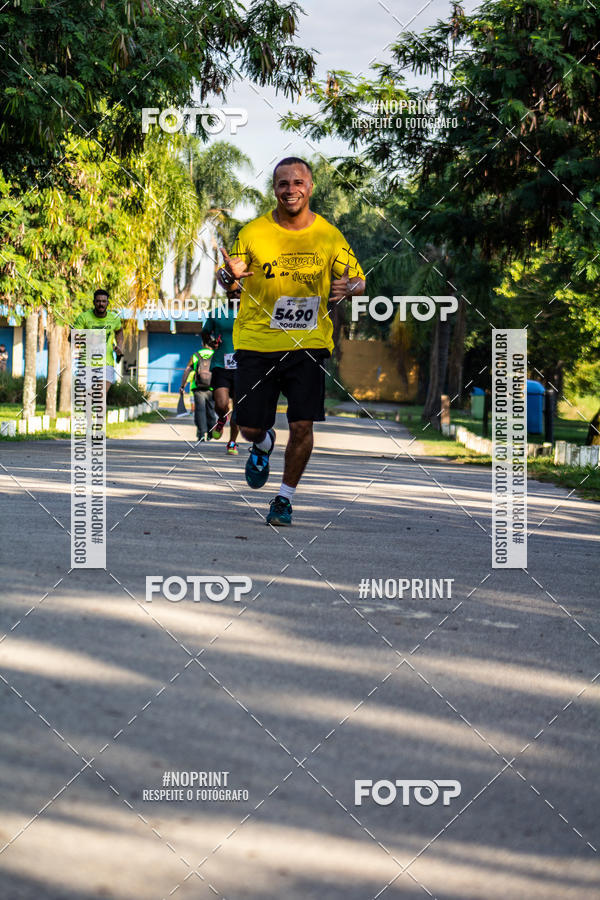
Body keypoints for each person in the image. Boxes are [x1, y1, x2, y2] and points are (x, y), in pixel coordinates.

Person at [217, 156, 365, 526]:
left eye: (298, 182)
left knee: (302, 425)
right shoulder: (252, 233)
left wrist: (352, 287)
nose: (291, 190)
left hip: (309, 343)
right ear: (274, 189)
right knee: (249, 426)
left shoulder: (330, 236)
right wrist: (228, 277)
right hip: (256, 341)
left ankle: (284, 499)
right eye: (283, 183)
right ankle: (262, 442)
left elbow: (359, 281)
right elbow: (231, 282)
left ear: (310, 187)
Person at [201, 285, 240, 455]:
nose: (235, 294)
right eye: (232, 291)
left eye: (238, 291)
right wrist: (210, 343)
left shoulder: (251, 312)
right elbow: (205, 332)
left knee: (239, 408)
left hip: (243, 366)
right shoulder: (217, 313)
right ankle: (222, 419)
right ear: (227, 294)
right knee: (221, 404)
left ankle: (232, 442)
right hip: (220, 364)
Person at [72, 289, 124, 394]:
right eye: (98, 301)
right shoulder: (84, 317)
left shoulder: (114, 318)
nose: (101, 304)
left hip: (106, 363)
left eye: (104, 301)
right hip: (86, 363)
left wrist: (119, 346)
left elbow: (119, 331)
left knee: (100, 396)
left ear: (107, 303)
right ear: (94, 302)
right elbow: (72, 337)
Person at [179, 346, 217, 442]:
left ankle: (201, 434)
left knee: (200, 411)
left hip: (198, 387)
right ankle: (210, 433)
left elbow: (187, 370)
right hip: (211, 387)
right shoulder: (215, 354)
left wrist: (182, 386)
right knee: (210, 410)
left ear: (203, 343)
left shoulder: (196, 355)